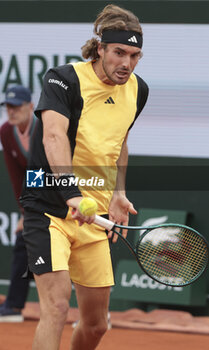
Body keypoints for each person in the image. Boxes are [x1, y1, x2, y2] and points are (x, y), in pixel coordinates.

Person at [20, 4, 148, 350]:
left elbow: (119, 141)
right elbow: (53, 137)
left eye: (135, 55)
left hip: (94, 216)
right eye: (119, 52)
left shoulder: (138, 90)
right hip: (48, 208)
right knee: (57, 307)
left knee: (95, 325)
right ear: (101, 48)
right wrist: (72, 194)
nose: (127, 63)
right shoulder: (63, 79)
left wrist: (118, 192)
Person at [0, 85, 36, 322]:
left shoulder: (43, 127)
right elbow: (16, 176)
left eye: (17, 107)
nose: (12, 112)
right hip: (36, 193)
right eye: (8, 107)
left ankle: (95, 310)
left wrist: (31, 210)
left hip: (66, 186)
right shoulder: (5, 131)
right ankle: (13, 306)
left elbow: (42, 169)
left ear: (30, 107)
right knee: (24, 240)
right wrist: (26, 212)